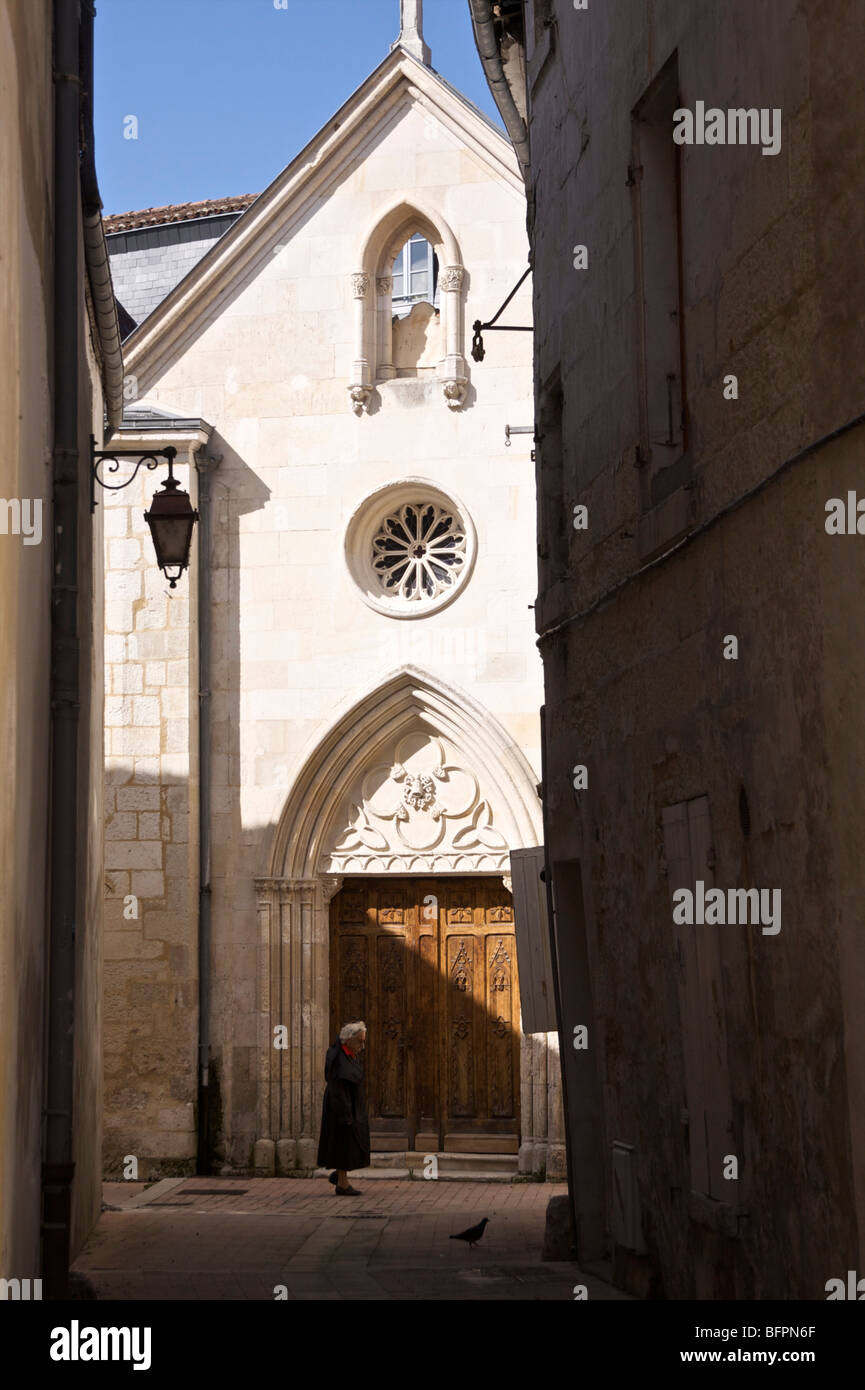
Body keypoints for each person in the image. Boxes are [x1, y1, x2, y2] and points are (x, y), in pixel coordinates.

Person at [316, 1020, 370, 1195]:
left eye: (364, 1041)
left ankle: (339, 1176)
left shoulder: (347, 1054)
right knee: (343, 1145)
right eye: (360, 1041)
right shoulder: (339, 1059)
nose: (363, 1046)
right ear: (348, 1040)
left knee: (348, 1145)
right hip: (341, 1108)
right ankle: (343, 1184)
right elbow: (338, 1088)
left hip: (347, 1106)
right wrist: (346, 1114)